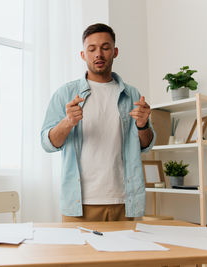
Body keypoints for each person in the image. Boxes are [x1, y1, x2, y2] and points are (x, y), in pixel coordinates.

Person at [41, 23, 156, 222]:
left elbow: (145, 145)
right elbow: (47, 143)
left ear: (115, 51)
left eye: (105, 47)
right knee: (78, 254)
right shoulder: (66, 93)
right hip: (79, 203)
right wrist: (67, 122)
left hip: (124, 201)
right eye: (91, 49)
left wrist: (143, 125)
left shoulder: (132, 94)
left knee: (126, 254)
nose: (98, 54)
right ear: (83, 54)